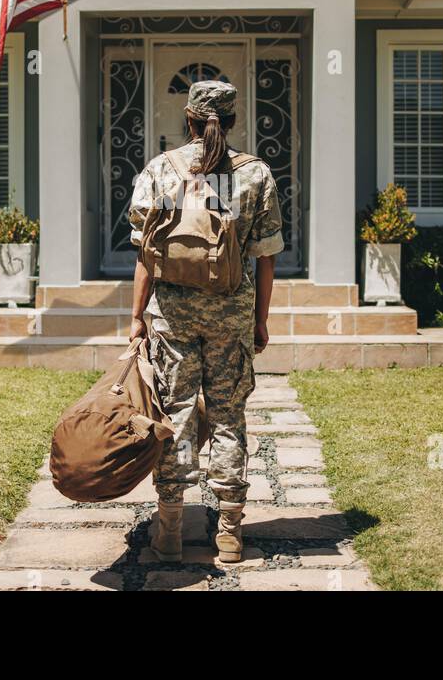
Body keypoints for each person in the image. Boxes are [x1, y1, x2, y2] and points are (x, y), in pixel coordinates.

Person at [127, 79, 284, 563]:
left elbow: (145, 256)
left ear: (189, 120)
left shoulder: (161, 169)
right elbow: (266, 257)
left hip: (172, 317)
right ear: (231, 121)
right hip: (231, 315)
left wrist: (136, 320)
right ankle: (231, 535)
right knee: (228, 417)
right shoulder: (255, 174)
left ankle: (170, 531)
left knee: (173, 417)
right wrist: (259, 320)